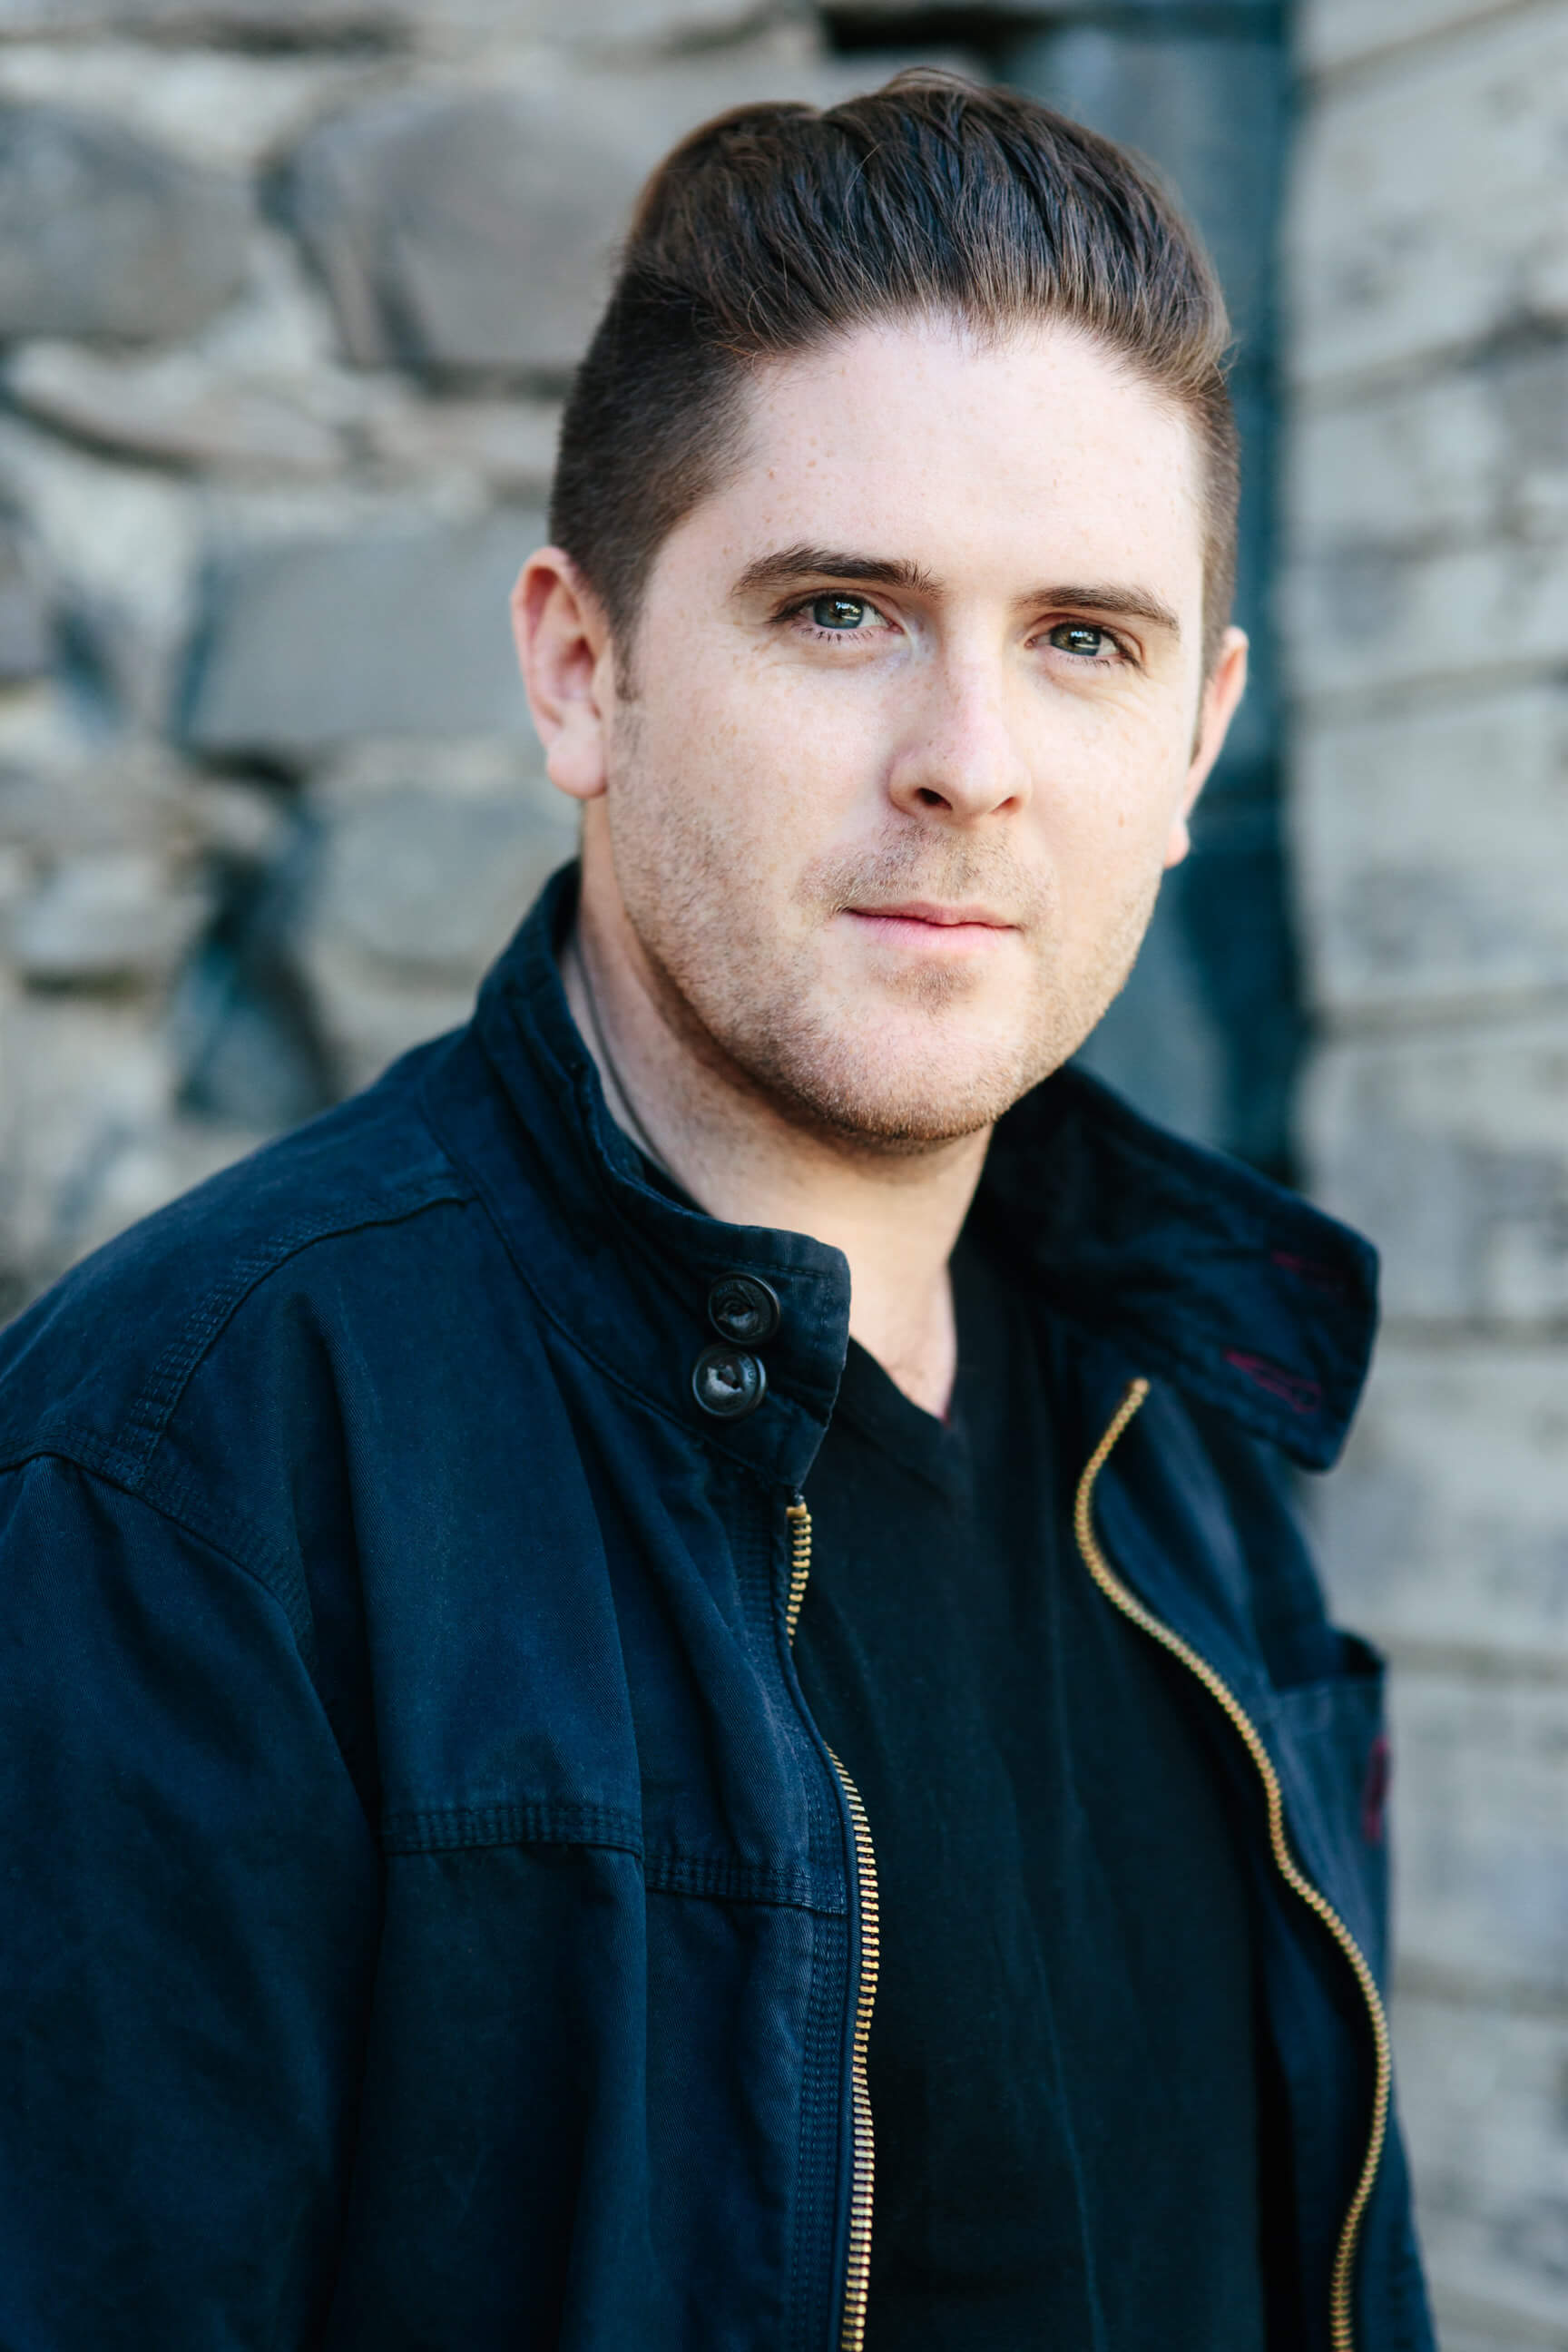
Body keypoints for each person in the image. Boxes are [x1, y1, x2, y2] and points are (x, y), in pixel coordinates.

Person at [0, 71, 1432, 2352]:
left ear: (1194, 749)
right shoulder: (196, 1465)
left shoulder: (1185, 1428)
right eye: (843, 608)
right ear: (584, 670)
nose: (969, 756)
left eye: (1086, 638)